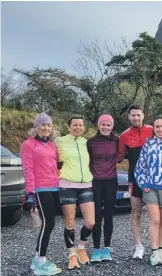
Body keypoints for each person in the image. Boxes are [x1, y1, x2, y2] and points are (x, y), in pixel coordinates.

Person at [116, 104, 162, 259]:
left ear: (143, 115)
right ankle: (139, 246)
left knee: (159, 217)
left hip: (155, 180)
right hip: (135, 178)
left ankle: (161, 244)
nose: (136, 118)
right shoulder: (124, 136)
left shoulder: (153, 129)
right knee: (136, 212)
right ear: (129, 117)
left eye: (138, 115)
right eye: (133, 115)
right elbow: (118, 157)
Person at [21, 112, 62, 275]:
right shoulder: (28, 145)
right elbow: (28, 169)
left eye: (48, 125)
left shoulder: (52, 145)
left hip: (54, 187)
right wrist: (31, 193)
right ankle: (42, 262)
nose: (45, 128)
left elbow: (56, 165)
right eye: (42, 125)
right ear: (36, 127)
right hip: (40, 189)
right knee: (48, 223)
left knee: (49, 223)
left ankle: (37, 259)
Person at [135, 115, 162, 266]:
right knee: (155, 219)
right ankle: (154, 252)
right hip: (150, 187)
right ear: (153, 129)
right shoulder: (148, 146)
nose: (160, 129)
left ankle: (161, 248)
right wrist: (143, 183)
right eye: (157, 127)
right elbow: (139, 169)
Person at [54, 115, 95, 270]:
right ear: (68, 126)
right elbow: (50, 159)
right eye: (75, 125)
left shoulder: (86, 143)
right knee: (70, 222)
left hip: (86, 184)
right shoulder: (59, 142)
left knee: (90, 222)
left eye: (80, 125)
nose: (78, 127)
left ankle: (81, 247)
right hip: (66, 185)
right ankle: (71, 255)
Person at [87, 114, 119, 263]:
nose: (106, 127)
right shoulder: (91, 142)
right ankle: (96, 250)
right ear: (99, 126)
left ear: (112, 126)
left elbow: (124, 154)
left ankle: (106, 248)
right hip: (96, 182)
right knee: (96, 217)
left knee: (108, 216)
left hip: (111, 181)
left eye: (108, 125)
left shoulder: (117, 140)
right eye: (103, 125)